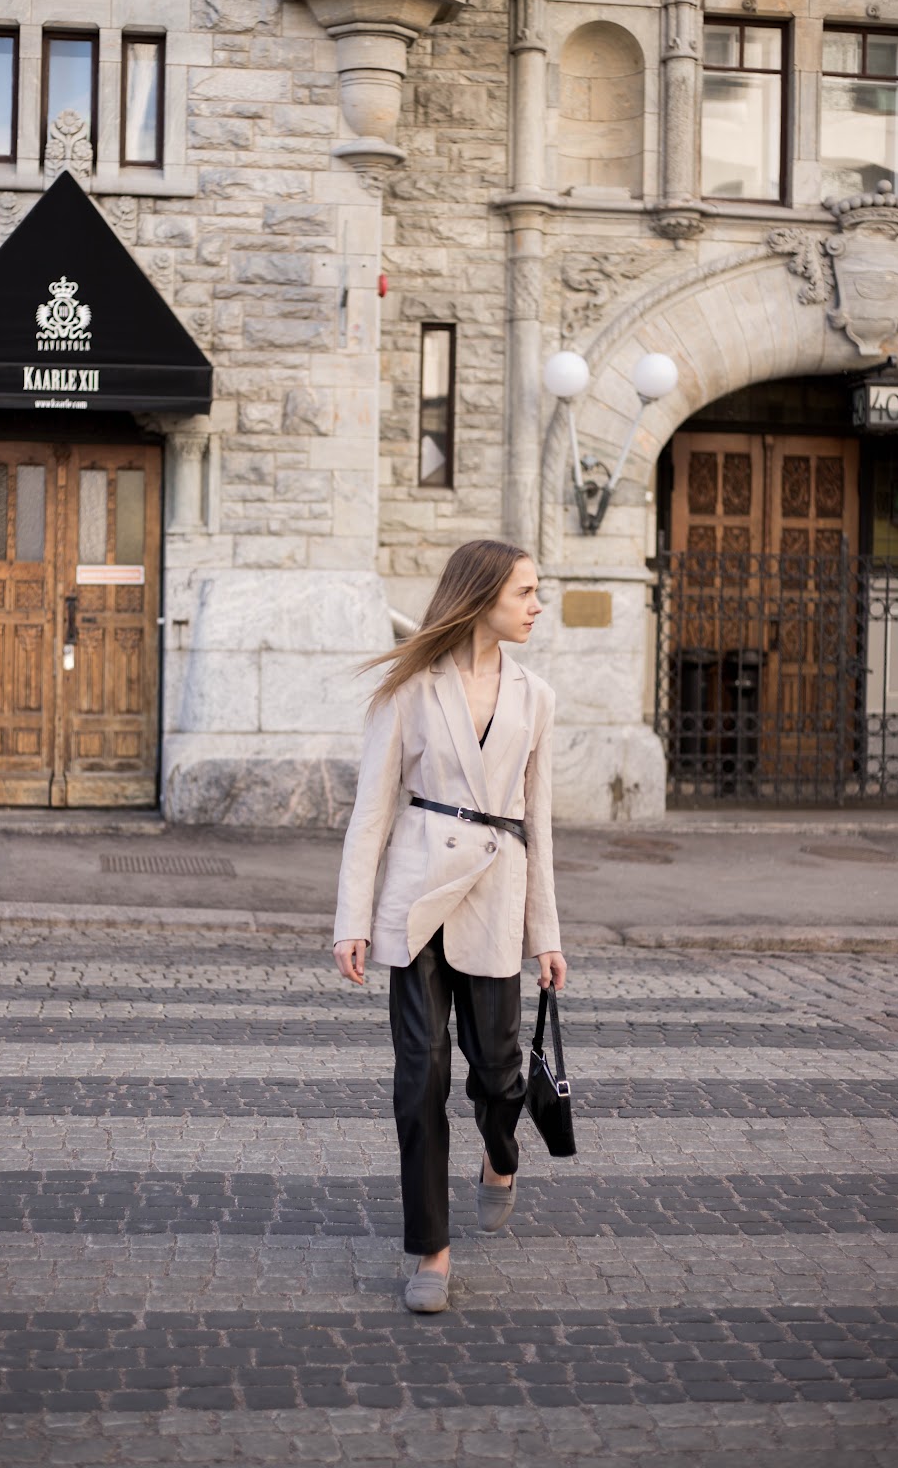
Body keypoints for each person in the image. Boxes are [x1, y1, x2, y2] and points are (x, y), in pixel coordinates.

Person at [332, 539, 566, 1314]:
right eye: (524, 592)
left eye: (536, 591)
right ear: (480, 595)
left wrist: (546, 935)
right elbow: (371, 813)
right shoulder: (409, 688)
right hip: (417, 896)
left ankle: (501, 1154)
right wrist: (352, 919)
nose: (536, 606)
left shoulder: (535, 696)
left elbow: (539, 824)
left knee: (497, 1071)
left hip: (495, 894)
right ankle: (430, 1251)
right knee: (419, 1079)